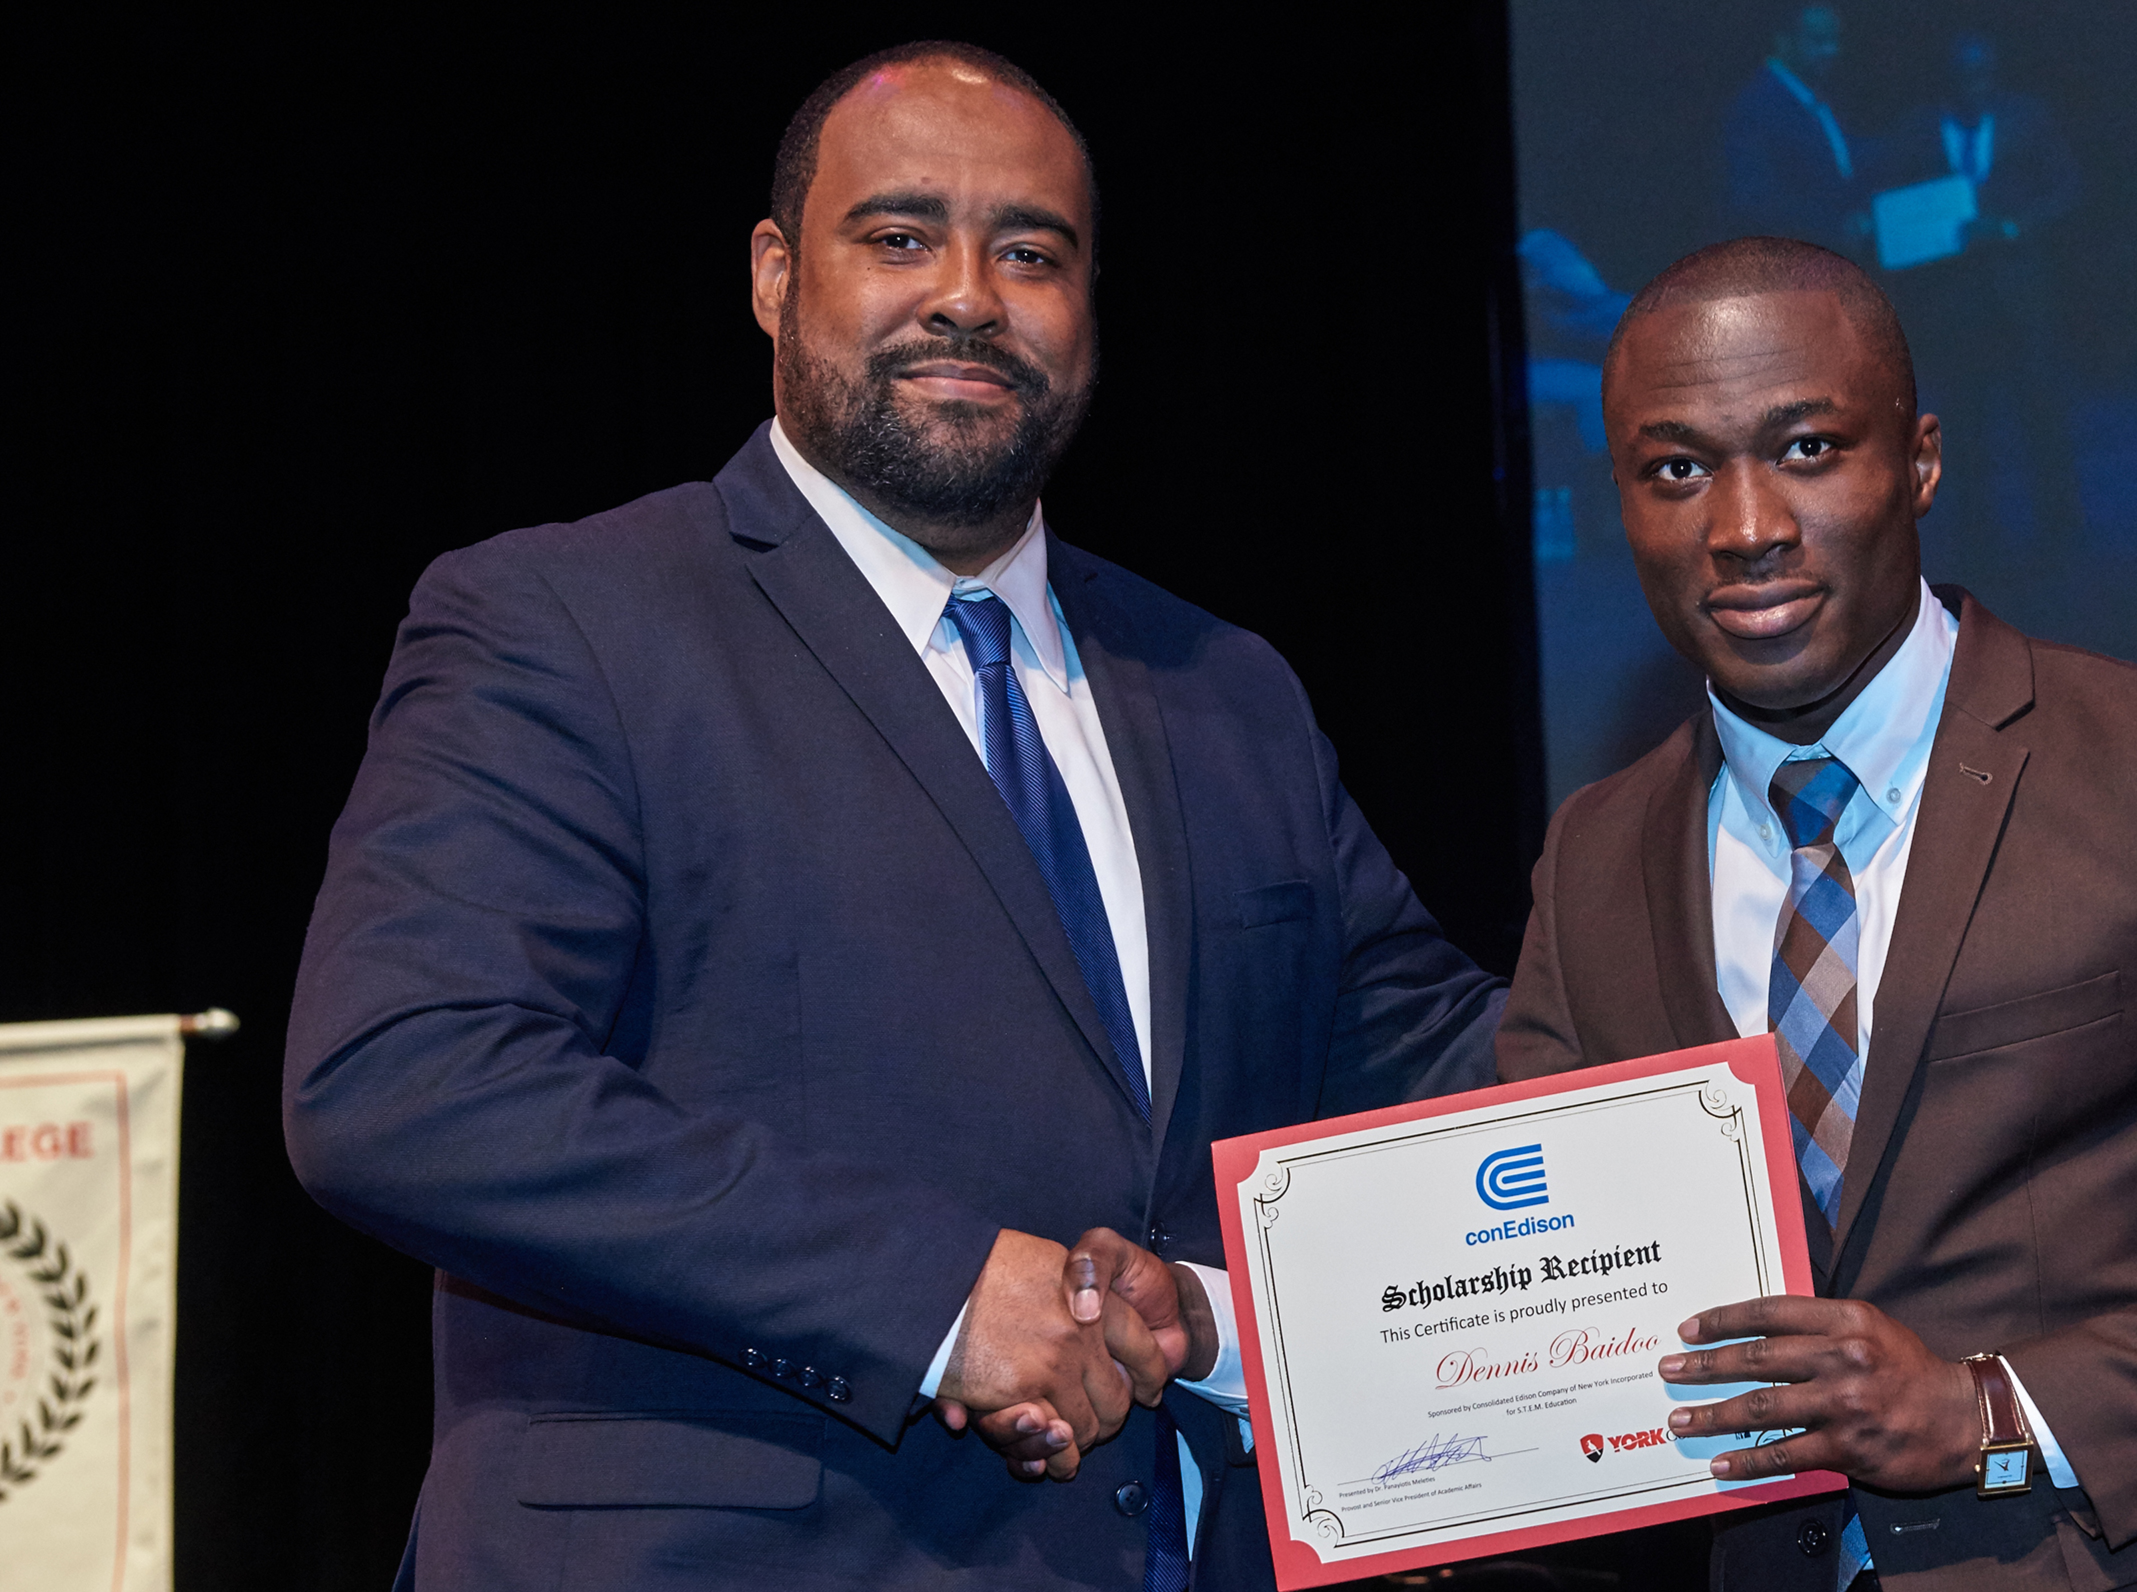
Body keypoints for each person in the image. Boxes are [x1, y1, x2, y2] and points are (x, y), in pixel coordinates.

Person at [282, 40, 1503, 1592]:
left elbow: (1437, 1062)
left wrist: (1798, 1013)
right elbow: (405, 1078)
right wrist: (930, 1294)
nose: (971, 297)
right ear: (775, 275)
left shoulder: (1223, 689)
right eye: (902, 236)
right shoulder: (565, 621)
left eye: (1033, 252)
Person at [1496, 237, 2137, 1590]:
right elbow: (1533, 1291)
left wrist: (1993, 1410)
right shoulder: (1593, 856)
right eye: (1676, 469)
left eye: (1806, 448)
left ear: (1917, 461)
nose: (1742, 525)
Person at [1872, 31, 2086, 564]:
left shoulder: (2026, 118)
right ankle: (1979, 538)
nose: (1974, 86)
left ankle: (2061, 531)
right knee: (1966, 423)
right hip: (1954, 304)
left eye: (1983, 73)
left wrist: (2015, 226)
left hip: (2020, 295)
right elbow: (1893, 202)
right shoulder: (1919, 130)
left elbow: (2066, 187)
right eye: (1964, 75)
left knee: (2041, 414)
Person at [1723, 4, 1874, 250]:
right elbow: (1755, 200)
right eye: (1817, 40)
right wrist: (1834, 227)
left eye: (1834, 40)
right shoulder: (1756, 106)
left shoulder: (1820, 95)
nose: (1831, 50)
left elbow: (1843, 165)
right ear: (1784, 41)